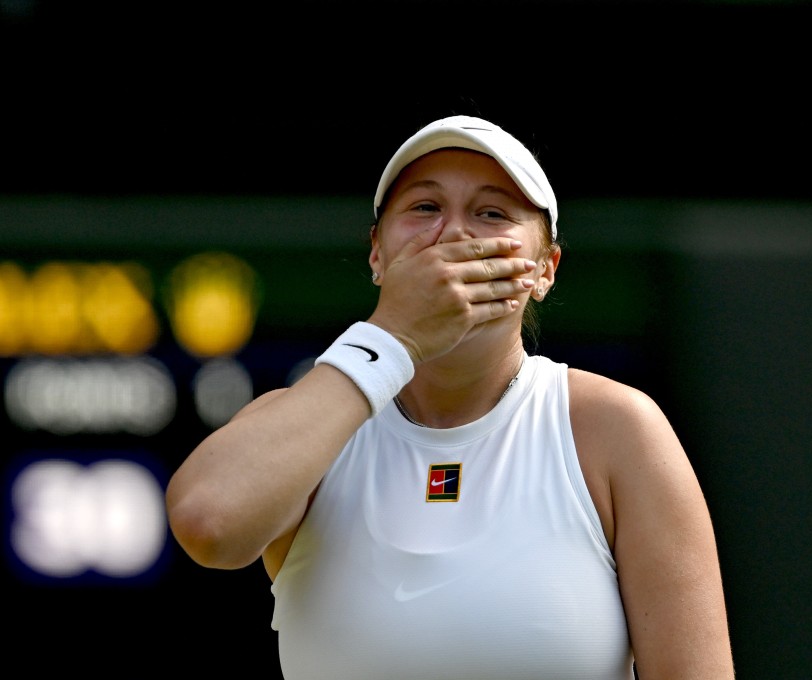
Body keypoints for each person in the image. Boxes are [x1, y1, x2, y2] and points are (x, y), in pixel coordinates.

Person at [166, 114, 735, 679]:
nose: (456, 234)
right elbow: (207, 523)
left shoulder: (616, 428)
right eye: (424, 208)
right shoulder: (307, 421)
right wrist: (393, 336)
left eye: (491, 213)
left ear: (545, 269)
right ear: (377, 255)